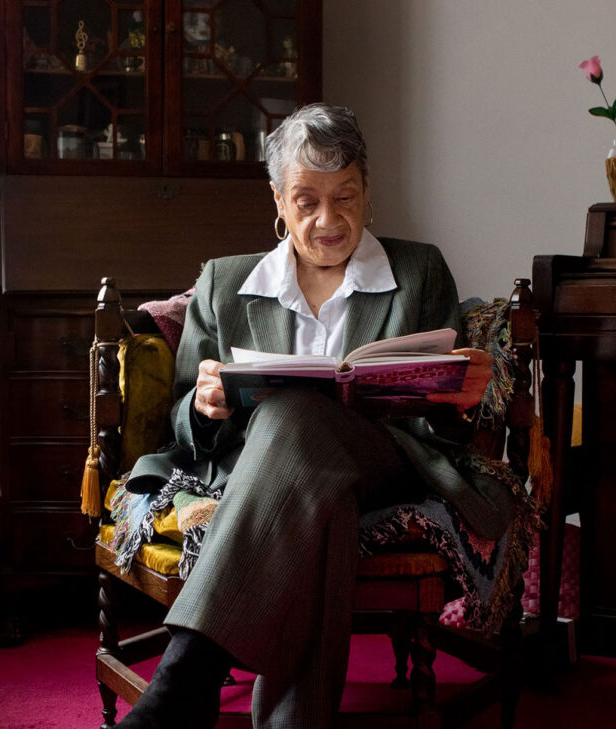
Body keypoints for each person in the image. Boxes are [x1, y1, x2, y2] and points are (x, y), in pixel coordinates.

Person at [113, 103, 504, 728]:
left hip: (385, 461)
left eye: (345, 197)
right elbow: (181, 424)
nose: (328, 220)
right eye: (307, 201)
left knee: (294, 414)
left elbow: (441, 420)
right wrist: (206, 405)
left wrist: (459, 403)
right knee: (318, 497)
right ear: (277, 198)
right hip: (287, 487)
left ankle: (185, 679)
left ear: (368, 191)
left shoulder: (418, 269)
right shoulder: (225, 283)